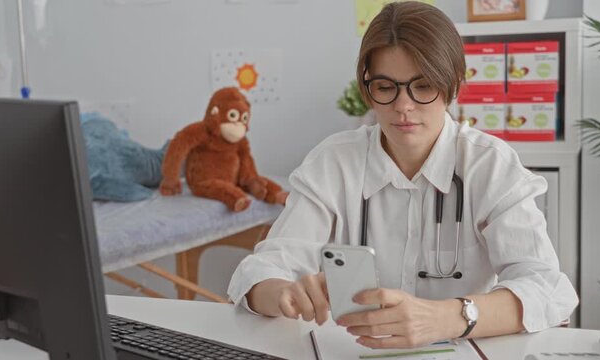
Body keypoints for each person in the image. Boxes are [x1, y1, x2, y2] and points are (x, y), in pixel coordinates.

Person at [227, 1, 578, 349]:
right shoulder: (333, 162)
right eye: (385, 87)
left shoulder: (491, 166)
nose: (403, 106)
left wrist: (447, 317)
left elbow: (547, 288)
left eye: (423, 86)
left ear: (453, 84)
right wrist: (284, 292)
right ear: (368, 87)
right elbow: (260, 272)